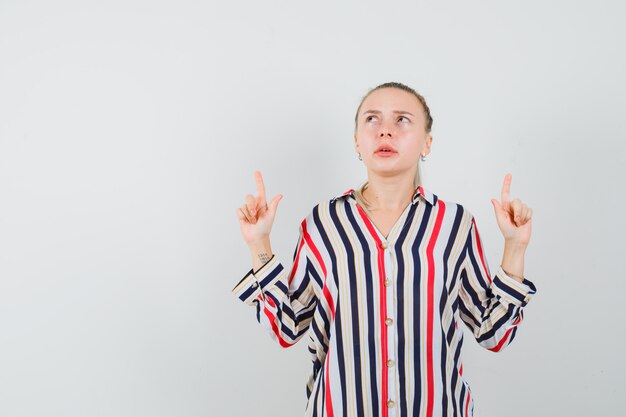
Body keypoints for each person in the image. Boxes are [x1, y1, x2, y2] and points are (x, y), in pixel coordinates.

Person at [232, 82, 537, 417]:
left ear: (427, 143)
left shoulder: (454, 224)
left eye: (402, 120)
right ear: (357, 143)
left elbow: (494, 333)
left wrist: (515, 247)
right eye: (372, 120)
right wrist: (259, 242)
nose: (385, 132)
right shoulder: (324, 223)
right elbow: (286, 328)